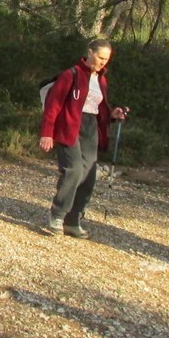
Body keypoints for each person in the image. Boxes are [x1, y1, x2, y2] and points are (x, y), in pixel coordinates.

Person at [38, 38, 127, 239]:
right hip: (69, 127)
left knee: (89, 175)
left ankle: (73, 220)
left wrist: (114, 114)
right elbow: (53, 105)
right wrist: (47, 133)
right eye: (101, 57)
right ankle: (57, 215)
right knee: (74, 169)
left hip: (90, 128)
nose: (103, 62)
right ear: (90, 52)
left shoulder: (101, 80)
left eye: (107, 59)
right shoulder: (71, 75)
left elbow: (100, 108)